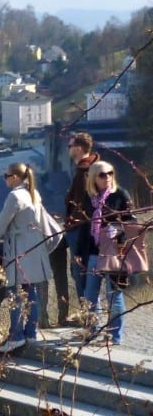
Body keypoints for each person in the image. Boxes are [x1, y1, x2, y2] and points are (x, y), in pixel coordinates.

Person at [0, 163, 54, 353]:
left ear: (14, 177)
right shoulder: (32, 193)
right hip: (34, 249)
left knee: (14, 292)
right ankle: (30, 332)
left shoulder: (14, 196)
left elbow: (1, 224)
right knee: (31, 291)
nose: (4, 179)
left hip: (19, 250)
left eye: (6, 175)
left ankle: (16, 336)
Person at [79, 160, 134, 345]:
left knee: (114, 295)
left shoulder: (120, 195)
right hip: (94, 252)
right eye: (102, 174)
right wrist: (79, 252)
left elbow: (132, 223)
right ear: (94, 177)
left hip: (115, 252)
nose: (107, 177)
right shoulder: (89, 198)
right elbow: (84, 226)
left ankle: (114, 336)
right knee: (89, 295)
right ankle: (90, 331)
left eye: (110, 173)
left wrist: (117, 228)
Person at [63, 132, 99, 319]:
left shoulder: (85, 171)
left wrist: (73, 220)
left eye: (70, 146)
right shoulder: (90, 168)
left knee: (81, 274)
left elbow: (84, 202)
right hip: (84, 227)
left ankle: (90, 320)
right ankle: (90, 319)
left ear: (78, 148)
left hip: (82, 229)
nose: (68, 149)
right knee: (84, 274)